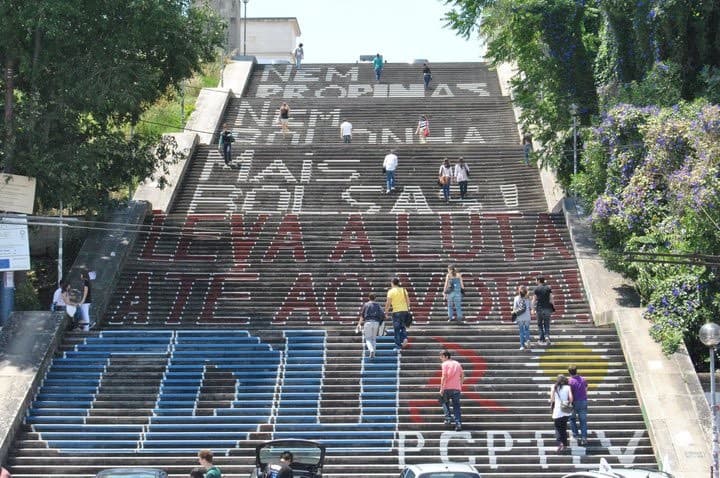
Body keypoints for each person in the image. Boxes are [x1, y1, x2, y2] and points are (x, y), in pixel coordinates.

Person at [439, 349, 464, 431]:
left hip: (447, 388)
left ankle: (448, 418)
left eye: (442, 357)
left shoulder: (444, 364)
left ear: (446, 356)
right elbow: (462, 375)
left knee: (443, 401)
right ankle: (458, 424)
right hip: (456, 389)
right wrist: (460, 385)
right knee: (456, 406)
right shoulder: (457, 363)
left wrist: (441, 388)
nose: (441, 359)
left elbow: (444, 376)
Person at [384, 277, 411, 351]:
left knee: (396, 329)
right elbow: (408, 301)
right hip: (405, 311)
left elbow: (388, 303)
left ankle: (398, 346)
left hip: (396, 312)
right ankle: (405, 338)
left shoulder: (391, 291)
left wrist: (386, 312)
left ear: (392, 283)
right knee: (403, 327)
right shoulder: (403, 290)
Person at [549, 374, 574, 452]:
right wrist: (567, 403)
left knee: (557, 427)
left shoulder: (554, 387)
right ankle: (565, 444)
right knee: (564, 427)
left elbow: (552, 399)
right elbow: (571, 399)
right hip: (565, 410)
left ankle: (560, 443)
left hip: (557, 410)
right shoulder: (568, 387)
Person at [357, 293, 385, 359]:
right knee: (374, 339)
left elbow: (362, 315)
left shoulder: (366, 305)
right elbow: (382, 315)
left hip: (368, 322)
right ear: (375, 298)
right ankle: (373, 353)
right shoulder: (378, 305)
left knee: (368, 339)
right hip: (376, 322)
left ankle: (371, 350)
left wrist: (359, 324)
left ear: (369, 298)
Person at [568, 364, 589, 446]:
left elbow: (569, 393)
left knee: (572, 418)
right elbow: (586, 388)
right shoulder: (583, 379)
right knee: (583, 420)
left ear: (569, 372)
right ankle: (584, 438)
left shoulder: (569, 381)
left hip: (574, 402)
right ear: (577, 370)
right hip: (583, 401)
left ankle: (575, 435)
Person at [532, 276, 554, 345]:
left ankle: (541, 339)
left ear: (538, 281)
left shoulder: (536, 289)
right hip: (547, 308)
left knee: (540, 324)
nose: (535, 281)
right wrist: (553, 307)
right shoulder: (548, 288)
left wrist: (532, 309)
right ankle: (547, 336)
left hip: (539, 309)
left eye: (535, 280)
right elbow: (551, 299)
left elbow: (534, 300)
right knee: (547, 324)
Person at [513, 285, 532, 350]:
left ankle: (522, 345)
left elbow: (515, 308)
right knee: (527, 329)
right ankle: (528, 339)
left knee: (521, 331)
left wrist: (513, 315)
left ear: (518, 290)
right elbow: (531, 307)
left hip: (520, 316)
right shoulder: (528, 298)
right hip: (527, 316)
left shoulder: (516, 298)